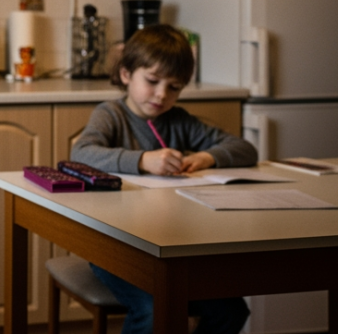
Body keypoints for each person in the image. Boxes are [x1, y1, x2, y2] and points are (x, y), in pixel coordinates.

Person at [70, 24, 255, 334]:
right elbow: (81, 153)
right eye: (153, 81)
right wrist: (143, 160)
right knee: (152, 310)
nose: (161, 95)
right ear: (127, 74)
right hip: (116, 245)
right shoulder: (110, 115)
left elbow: (244, 149)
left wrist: (205, 157)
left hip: (174, 247)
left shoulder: (180, 121)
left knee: (231, 310)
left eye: (174, 87)